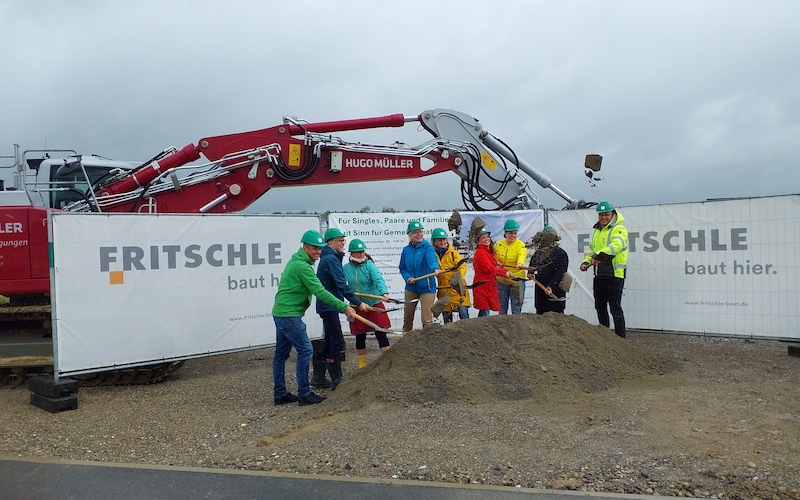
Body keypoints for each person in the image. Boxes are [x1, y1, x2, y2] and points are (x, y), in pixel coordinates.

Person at [272, 229, 357, 406]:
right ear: (304, 247)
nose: (317, 252)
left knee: (281, 355)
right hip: (289, 315)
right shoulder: (303, 267)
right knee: (305, 351)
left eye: (319, 248)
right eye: (314, 249)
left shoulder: (296, 262)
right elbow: (319, 291)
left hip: (281, 313)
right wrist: (344, 307)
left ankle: (280, 394)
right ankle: (304, 394)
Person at [314, 228, 369, 390]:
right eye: (339, 241)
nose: (343, 243)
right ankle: (336, 379)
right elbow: (341, 284)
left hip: (329, 305)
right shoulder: (331, 259)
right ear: (330, 243)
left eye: (343, 240)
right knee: (337, 340)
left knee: (331, 340)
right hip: (328, 305)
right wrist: (358, 303)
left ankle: (318, 376)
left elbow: (338, 284)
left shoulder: (331, 257)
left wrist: (353, 298)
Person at [579, 200, 629, 338]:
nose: (603, 218)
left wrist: (597, 256)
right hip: (599, 274)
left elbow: (616, 246)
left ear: (612, 214)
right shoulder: (596, 231)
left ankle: (620, 339)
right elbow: (591, 250)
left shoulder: (619, 229)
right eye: (601, 215)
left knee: (615, 308)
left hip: (615, 275)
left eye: (606, 215)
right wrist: (586, 261)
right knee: (600, 306)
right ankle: (605, 337)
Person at [343, 238, 392, 369]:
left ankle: (387, 366)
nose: (360, 254)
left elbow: (378, 279)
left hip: (373, 304)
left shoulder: (370, 265)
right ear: (351, 253)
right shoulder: (345, 269)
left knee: (381, 333)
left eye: (362, 251)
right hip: (356, 305)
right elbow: (341, 285)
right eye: (357, 252)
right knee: (360, 337)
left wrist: (384, 292)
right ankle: (362, 367)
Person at [398, 220, 440, 332]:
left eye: (420, 232)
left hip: (427, 287)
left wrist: (435, 268)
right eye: (415, 232)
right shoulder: (406, 250)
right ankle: (406, 342)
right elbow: (402, 267)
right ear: (410, 235)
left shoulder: (427, 247)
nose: (419, 234)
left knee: (426, 319)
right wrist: (408, 277)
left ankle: (427, 345)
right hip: (411, 288)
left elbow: (431, 260)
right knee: (408, 317)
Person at [431, 227, 470, 323]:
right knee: (447, 321)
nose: (442, 242)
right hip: (444, 291)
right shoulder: (432, 255)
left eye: (444, 239)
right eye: (439, 240)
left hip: (458, 290)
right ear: (434, 242)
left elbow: (462, 266)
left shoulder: (453, 253)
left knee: (464, 317)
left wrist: (457, 279)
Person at [472, 227, 513, 317]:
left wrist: (497, 264)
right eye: (483, 238)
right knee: (485, 312)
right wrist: (504, 272)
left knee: (485, 312)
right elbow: (489, 269)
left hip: (488, 285)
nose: (486, 239)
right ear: (478, 241)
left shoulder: (488, 252)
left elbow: (491, 265)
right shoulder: (480, 253)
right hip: (482, 286)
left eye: (487, 237)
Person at [528, 225, 569, 314]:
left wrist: (551, 286)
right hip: (541, 292)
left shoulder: (561, 253)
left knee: (557, 318)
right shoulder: (539, 253)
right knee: (541, 316)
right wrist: (530, 272)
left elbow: (560, 272)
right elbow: (532, 264)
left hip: (555, 291)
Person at [493, 219, 528, 315]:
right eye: (510, 233)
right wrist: (496, 262)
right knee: (502, 310)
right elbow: (493, 256)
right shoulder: (498, 244)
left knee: (516, 310)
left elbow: (522, 255)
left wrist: (520, 264)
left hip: (516, 281)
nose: (513, 236)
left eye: (515, 233)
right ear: (505, 233)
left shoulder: (521, 245)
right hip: (502, 282)